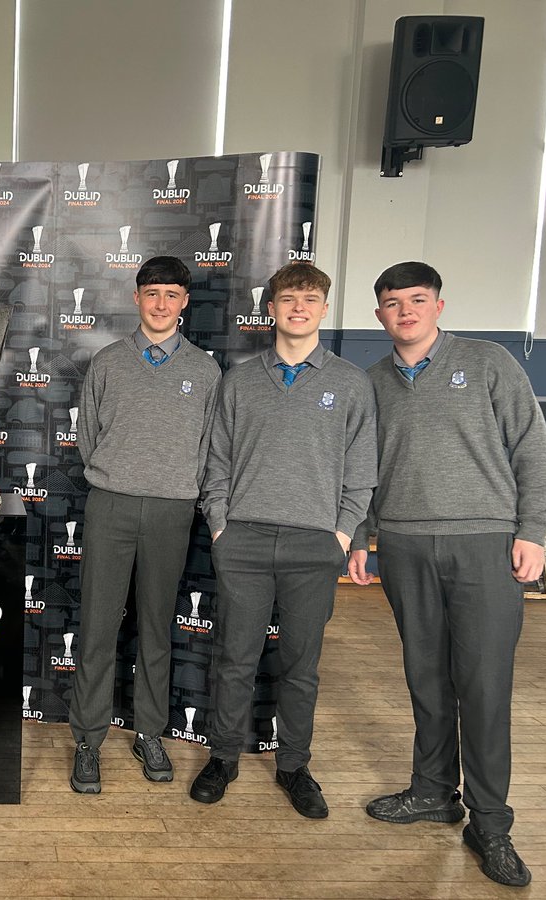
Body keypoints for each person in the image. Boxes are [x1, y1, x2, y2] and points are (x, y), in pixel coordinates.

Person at [348, 261, 546, 887]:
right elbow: (360, 467)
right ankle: (433, 791)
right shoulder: (372, 382)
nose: (405, 310)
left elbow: (531, 448)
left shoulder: (491, 363)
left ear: (439, 305)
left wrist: (531, 530)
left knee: (484, 688)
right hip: (406, 546)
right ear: (379, 315)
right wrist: (362, 536)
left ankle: (490, 824)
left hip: (485, 545)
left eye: (417, 299)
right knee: (427, 679)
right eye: (392, 302)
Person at [191, 262, 376, 817]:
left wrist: (341, 534)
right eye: (289, 298)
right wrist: (221, 526)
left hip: (314, 547)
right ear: (270, 308)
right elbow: (216, 460)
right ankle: (223, 757)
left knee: (301, 666)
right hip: (243, 542)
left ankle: (294, 766)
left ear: (324, 309)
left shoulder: (350, 383)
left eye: (311, 298)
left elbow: (362, 470)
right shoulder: (240, 380)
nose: (299, 307)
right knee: (234, 659)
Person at [68, 255, 221, 793]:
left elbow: (209, 450)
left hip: (171, 512)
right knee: (98, 628)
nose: (161, 304)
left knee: (157, 628)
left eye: (172, 294)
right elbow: (88, 435)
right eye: (152, 293)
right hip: (110, 505)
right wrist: (119, 475)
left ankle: (149, 732)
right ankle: (88, 740)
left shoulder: (205, 370)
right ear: (137, 298)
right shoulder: (107, 362)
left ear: (184, 302)